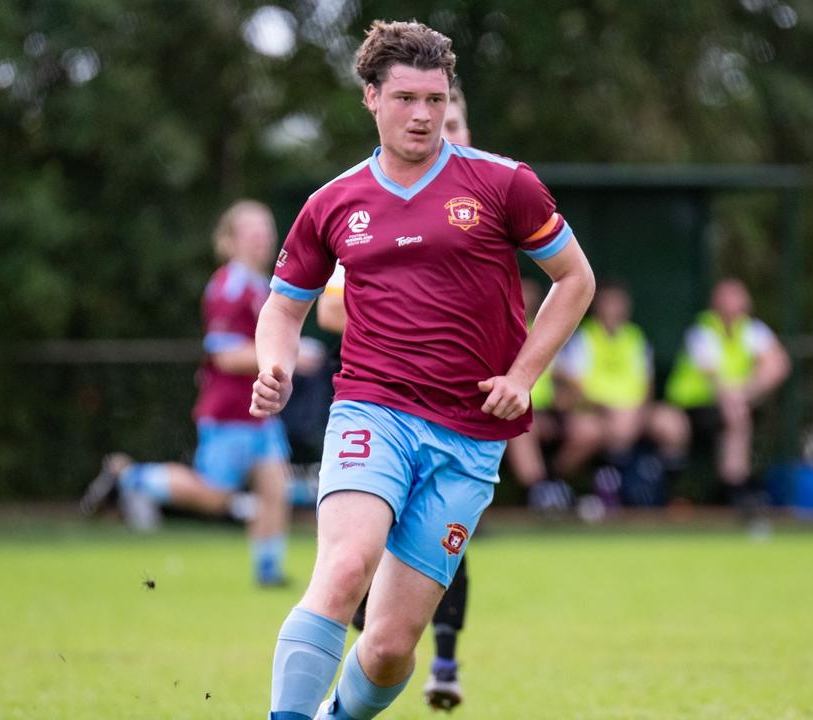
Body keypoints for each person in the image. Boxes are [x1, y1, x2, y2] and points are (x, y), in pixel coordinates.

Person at [254, 20, 594, 720]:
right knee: (346, 567)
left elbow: (575, 280)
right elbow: (284, 308)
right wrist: (274, 367)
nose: (424, 115)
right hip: (371, 410)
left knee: (386, 648)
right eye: (407, 98)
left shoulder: (504, 184)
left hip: (470, 435)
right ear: (371, 97)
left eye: (436, 100)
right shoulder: (333, 202)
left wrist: (523, 375)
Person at [314, 83, 503, 712]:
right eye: (425, 113)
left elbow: (547, 289)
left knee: (439, 567)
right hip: (386, 409)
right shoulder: (370, 206)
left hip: (467, 423)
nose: (437, 127)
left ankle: (440, 660)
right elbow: (328, 305)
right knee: (353, 564)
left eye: (452, 119)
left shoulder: (492, 197)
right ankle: (337, 661)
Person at [80, 200, 299, 587]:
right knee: (214, 496)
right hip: (229, 411)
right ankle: (130, 478)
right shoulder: (227, 287)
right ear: (230, 241)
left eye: (266, 229)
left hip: (260, 411)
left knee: (275, 489)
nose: (263, 238)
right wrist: (290, 356)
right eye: (252, 231)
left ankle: (268, 573)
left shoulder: (261, 285)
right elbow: (227, 356)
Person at [553, 281, 689, 507]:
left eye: (620, 303)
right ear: (598, 306)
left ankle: (661, 491)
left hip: (633, 413)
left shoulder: (635, 337)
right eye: (610, 303)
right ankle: (556, 487)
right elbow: (573, 389)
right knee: (587, 432)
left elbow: (647, 385)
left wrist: (637, 412)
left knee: (673, 424)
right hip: (595, 411)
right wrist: (606, 409)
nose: (615, 309)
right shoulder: (584, 337)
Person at [665, 278, 791, 519]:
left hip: (733, 403)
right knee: (735, 411)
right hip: (694, 409)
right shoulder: (702, 330)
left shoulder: (751, 329)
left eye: (737, 297)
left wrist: (747, 390)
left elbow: (778, 365)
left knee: (736, 410)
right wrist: (741, 394)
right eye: (727, 297)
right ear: (715, 302)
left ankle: (736, 490)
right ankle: (727, 490)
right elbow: (715, 380)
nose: (732, 304)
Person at [504, 278, 576, 514]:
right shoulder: (501, 327)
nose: (528, 298)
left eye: (532, 293)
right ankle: (539, 491)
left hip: (550, 411)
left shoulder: (547, 329)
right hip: (509, 410)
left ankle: (555, 483)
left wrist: (564, 404)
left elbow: (568, 382)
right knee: (523, 428)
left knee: (588, 428)